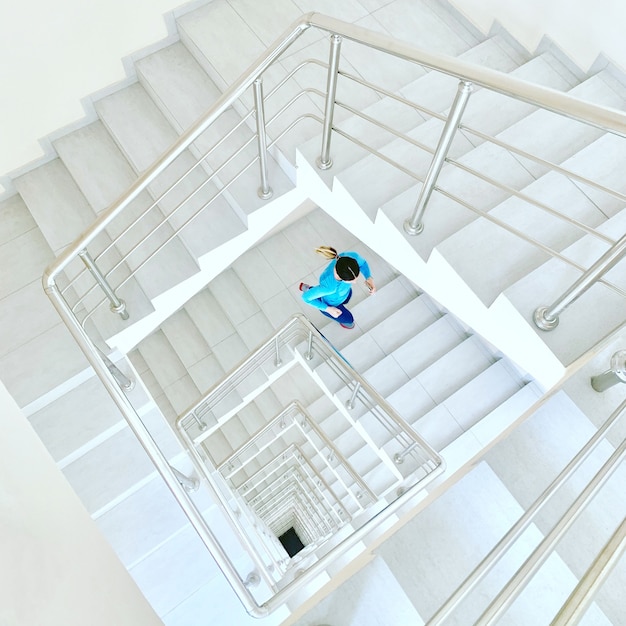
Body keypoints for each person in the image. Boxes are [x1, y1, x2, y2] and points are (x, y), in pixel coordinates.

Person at [299, 246, 376, 329]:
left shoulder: (351, 257)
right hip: (330, 303)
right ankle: (310, 290)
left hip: (342, 293)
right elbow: (305, 298)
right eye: (351, 280)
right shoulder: (329, 287)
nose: (355, 282)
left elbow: (363, 263)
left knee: (348, 297)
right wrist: (328, 309)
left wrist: (369, 277)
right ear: (341, 277)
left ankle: (312, 290)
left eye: (356, 277)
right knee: (349, 320)